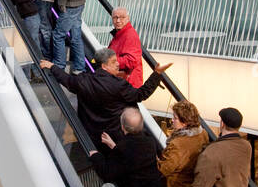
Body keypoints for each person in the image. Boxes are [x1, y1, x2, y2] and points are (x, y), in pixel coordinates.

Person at [38, 49, 169, 151]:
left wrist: (52, 67)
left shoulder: (83, 81)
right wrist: (156, 74)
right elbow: (140, 95)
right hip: (116, 136)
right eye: (113, 62)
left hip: (92, 137)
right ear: (103, 66)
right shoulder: (119, 85)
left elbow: (66, 79)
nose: (118, 64)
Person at [107, 6, 144, 88]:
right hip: (122, 83)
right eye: (115, 17)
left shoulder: (130, 35)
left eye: (122, 17)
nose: (118, 20)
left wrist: (109, 62)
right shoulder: (120, 33)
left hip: (128, 84)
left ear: (128, 18)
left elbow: (131, 61)